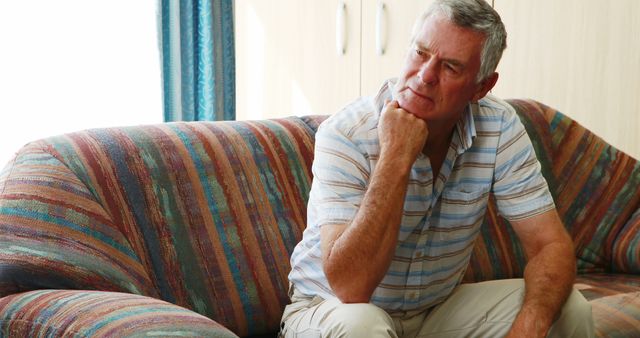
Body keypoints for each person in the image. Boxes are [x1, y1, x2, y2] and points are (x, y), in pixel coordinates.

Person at [281, 0, 594, 337]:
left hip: (435, 311)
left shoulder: (500, 126)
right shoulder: (346, 134)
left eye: (450, 67)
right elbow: (350, 288)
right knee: (363, 326)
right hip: (330, 309)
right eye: (420, 52)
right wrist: (396, 157)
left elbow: (550, 246)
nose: (425, 76)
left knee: (569, 309)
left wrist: (529, 328)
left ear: (481, 87)